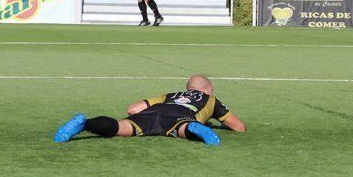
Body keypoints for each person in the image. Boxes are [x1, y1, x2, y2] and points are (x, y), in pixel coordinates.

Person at [53, 75, 246, 146]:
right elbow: (238, 127)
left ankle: (85, 123)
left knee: (121, 127)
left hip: (156, 110)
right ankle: (196, 128)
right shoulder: (211, 100)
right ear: (207, 89)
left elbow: (133, 108)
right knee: (183, 127)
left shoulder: (170, 95)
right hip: (181, 116)